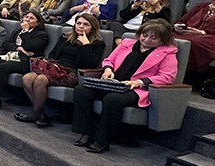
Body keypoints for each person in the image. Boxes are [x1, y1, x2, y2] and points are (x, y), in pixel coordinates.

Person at [72, 20, 177, 153]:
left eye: (154, 37)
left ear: (163, 39)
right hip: (113, 82)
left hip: (136, 89)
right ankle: (87, 132)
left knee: (112, 99)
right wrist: (108, 70)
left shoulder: (167, 53)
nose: (147, 39)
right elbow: (108, 60)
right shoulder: (127, 43)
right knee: (81, 90)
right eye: (145, 35)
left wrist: (139, 82)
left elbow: (167, 76)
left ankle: (102, 140)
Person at [16, 14, 105, 126]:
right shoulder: (65, 37)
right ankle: (42, 114)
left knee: (40, 80)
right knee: (27, 78)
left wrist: (85, 45)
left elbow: (90, 64)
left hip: (73, 73)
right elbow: (53, 54)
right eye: (78, 23)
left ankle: (35, 113)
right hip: (56, 68)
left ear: (93, 27)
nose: (81, 26)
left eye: (86, 24)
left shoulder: (97, 44)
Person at [0, 10, 49, 110]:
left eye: (31, 18)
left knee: (2, 67)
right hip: (11, 55)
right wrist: (19, 48)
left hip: (25, 61)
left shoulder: (41, 34)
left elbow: (30, 46)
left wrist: (26, 32)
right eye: (26, 17)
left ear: (38, 22)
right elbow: (6, 44)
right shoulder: (18, 31)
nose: (27, 20)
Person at [106, 0, 171, 44]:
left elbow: (165, 24)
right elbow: (123, 15)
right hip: (125, 28)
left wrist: (157, 6)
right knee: (115, 24)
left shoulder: (163, 10)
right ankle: (120, 42)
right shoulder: (138, 5)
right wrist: (134, 6)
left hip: (142, 31)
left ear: (163, 0)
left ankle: (122, 45)